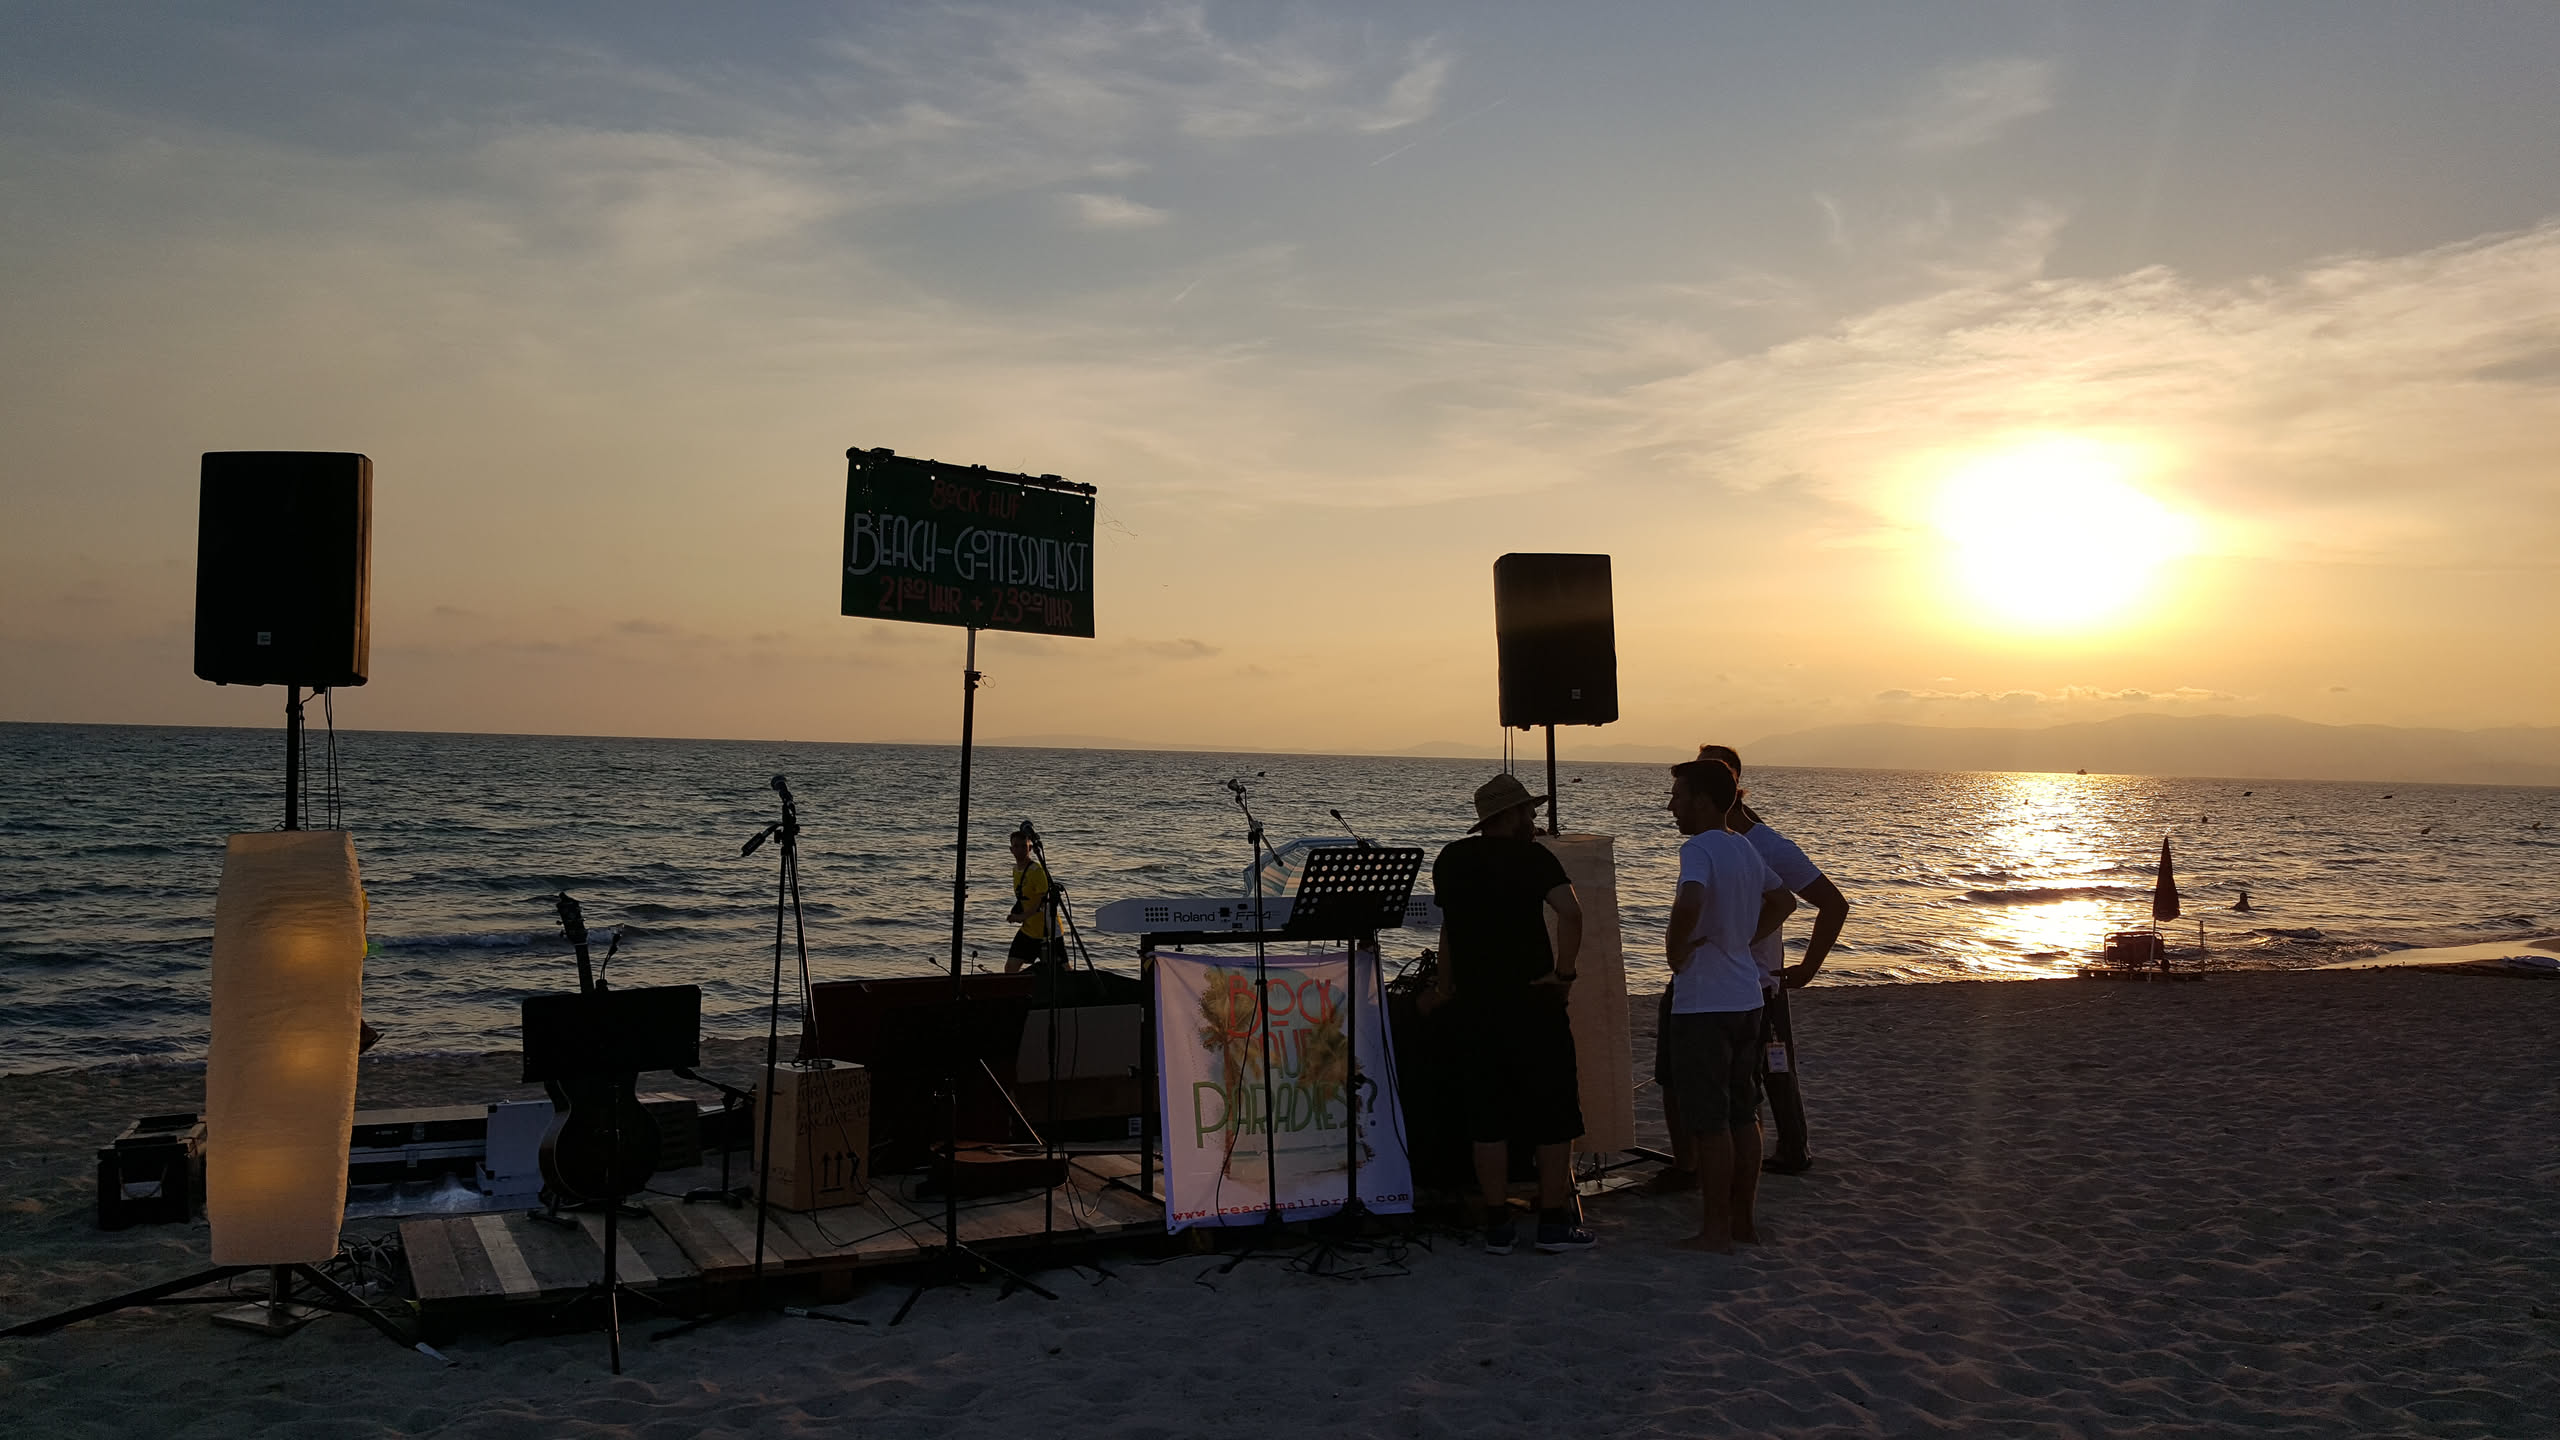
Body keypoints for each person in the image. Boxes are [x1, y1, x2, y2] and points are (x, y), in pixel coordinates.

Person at [1428, 772, 1594, 1255]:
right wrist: (1564, 974)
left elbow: (1449, 932)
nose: (1535, 816)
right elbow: (1572, 913)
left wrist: (1444, 987)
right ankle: (1552, 1222)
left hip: (1476, 1002)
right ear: (1513, 815)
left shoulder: (1452, 858)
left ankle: (1497, 1223)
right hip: (1532, 1000)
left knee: (1487, 1115)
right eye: (1529, 810)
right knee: (1553, 1112)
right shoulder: (1534, 858)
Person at [1662, 757, 1795, 1252]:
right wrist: (1743, 938)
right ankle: (1743, 1223)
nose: (1671, 807)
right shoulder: (1743, 846)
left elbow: (1690, 899)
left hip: (1705, 1003)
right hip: (1746, 998)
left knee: (1710, 1119)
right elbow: (1784, 901)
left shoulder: (1698, 848)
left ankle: (1716, 1229)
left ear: (1701, 800)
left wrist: (1675, 950)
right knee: (1744, 1111)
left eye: (1677, 796)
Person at [1701, 743, 1849, 1175]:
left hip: (1760, 981)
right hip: (1721, 979)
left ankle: (1792, 1149)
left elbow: (1833, 904)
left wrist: (1808, 968)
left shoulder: (1768, 845)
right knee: (1743, 1072)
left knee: (1772, 1066)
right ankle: (1777, 1147)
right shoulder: (1716, 842)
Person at [1003, 824, 1057, 974]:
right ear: (1011, 850)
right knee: (1010, 968)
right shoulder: (1016, 870)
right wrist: (1016, 913)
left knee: (1061, 970)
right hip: (1028, 929)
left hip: (1046, 931)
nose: (1020, 849)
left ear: (1030, 848)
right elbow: (1024, 897)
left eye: (1023, 846)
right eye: (1016, 846)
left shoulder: (1036, 871)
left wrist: (1021, 917)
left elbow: (1042, 902)